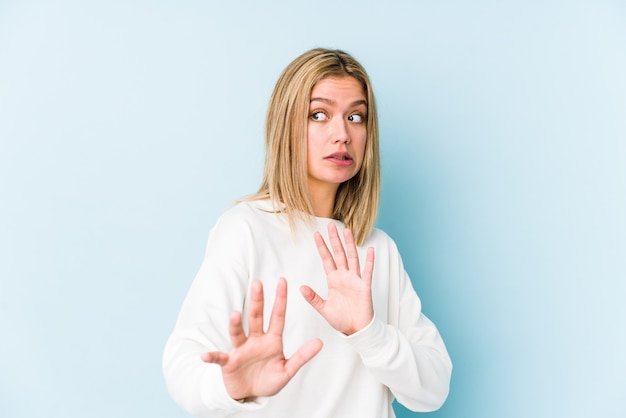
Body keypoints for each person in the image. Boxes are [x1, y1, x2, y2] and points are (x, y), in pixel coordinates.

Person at [163, 48, 452, 418]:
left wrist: (368, 331)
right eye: (319, 114)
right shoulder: (247, 228)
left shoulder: (378, 249)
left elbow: (433, 390)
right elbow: (183, 360)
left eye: (356, 116)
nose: (343, 134)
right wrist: (233, 387)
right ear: (286, 126)